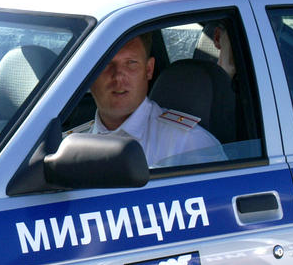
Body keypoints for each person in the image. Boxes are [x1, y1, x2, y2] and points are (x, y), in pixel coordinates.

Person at [76, 34, 223, 167]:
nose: (118, 77)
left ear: (148, 70)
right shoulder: (71, 144)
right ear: (90, 73)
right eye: (106, 64)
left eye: (131, 63)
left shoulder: (188, 143)